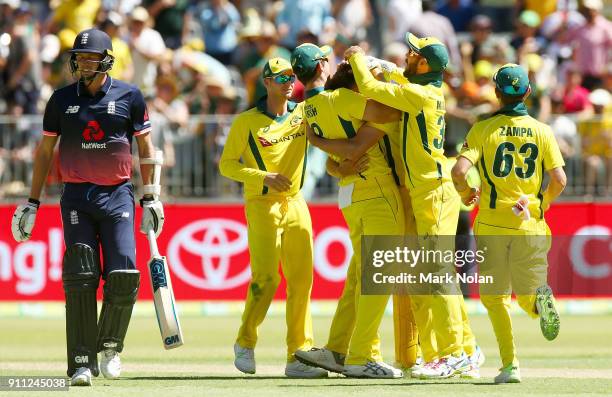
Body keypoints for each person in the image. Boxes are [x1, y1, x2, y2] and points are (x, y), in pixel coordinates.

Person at [10, 29, 163, 387]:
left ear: (107, 59)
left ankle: (109, 347)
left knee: (124, 274)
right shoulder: (61, 99)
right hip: (77, 196)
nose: (84, 63)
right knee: (80, 276)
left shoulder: (130, 96)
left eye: (92, 57)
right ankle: (80, 361)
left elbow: (147, 148)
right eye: (80, 57)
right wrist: (32, 202)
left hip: (119, 195)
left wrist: (152, 196)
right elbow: (45, 152)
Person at [344, 33, 478, 378]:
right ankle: (465, 347)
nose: (406, 54)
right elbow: (399, 80)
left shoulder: (418, 95)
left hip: (433, 192)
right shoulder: (426, 90)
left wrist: (359, 57)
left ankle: (455, 354)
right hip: (428, 192)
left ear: (424, 63)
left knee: (436, 272)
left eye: (412, 52)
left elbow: (371, 90)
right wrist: (386, 65)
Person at [290, 43, 405, 378]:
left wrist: (325, 148)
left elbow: (336, 159)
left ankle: (339, 349)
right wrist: (382, 78)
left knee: (358, 278)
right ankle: (361, 355)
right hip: (377, 192)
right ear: (323, 65)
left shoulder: (307, 108)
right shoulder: (340, 99)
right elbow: (394, 112)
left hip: (351, 195)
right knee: (378, 277)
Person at [451, 63, 566, 383]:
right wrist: (541, 204)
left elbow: (458, 172)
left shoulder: (482, 129)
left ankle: (510, 364)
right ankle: (539, 302)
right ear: (528, 92)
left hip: (491, 224)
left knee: (495, 297)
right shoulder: (543, 131)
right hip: (531, 223)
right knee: (529, 291)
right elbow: (559, 180)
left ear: (497, 93)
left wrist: (467, 192)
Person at [218, 58, 326, 379]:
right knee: (266, 280)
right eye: (281, 78)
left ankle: (299, 355)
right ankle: (245, 340)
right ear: (266, 82)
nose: (288, 82)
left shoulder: (302, 113)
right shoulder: (247, 122)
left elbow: (328, 120)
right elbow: (227, 165)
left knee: (302, 281)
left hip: (295, 203)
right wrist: (262, 176)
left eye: (291, 77)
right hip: (262, 205)